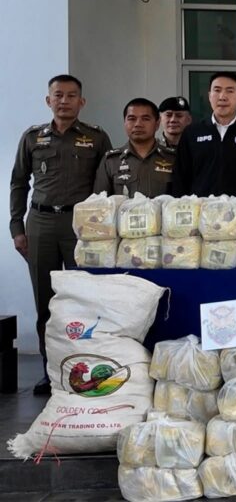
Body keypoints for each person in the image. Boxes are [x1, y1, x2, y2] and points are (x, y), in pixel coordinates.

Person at [10, 74, 112, 395]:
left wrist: (103, 232)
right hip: (41, 224)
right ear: (48, 100)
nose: (64, 101)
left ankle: (85, 369)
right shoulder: (32, 137)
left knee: (86, 300)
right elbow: (18, 183)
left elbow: (107, 186)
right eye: (58, 95)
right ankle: (50, 371)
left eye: (71, 96)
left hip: (80, 226)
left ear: (82, 102)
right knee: (47, 303)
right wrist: (17, 228)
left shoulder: (96, 137)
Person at [171, 72, 236, 197]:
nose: (222, 97)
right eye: (217, 90)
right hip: (201, 207)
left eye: (229, 91)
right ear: (209, 96)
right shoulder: (192, 132)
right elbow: (180, 177)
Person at [94, 98, 176, 197]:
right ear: (124, 123)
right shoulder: (111, 161)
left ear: (157, 124)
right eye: (132, 119)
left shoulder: (173, 158)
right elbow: (100, 202)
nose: (138, 124)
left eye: (145, 119)